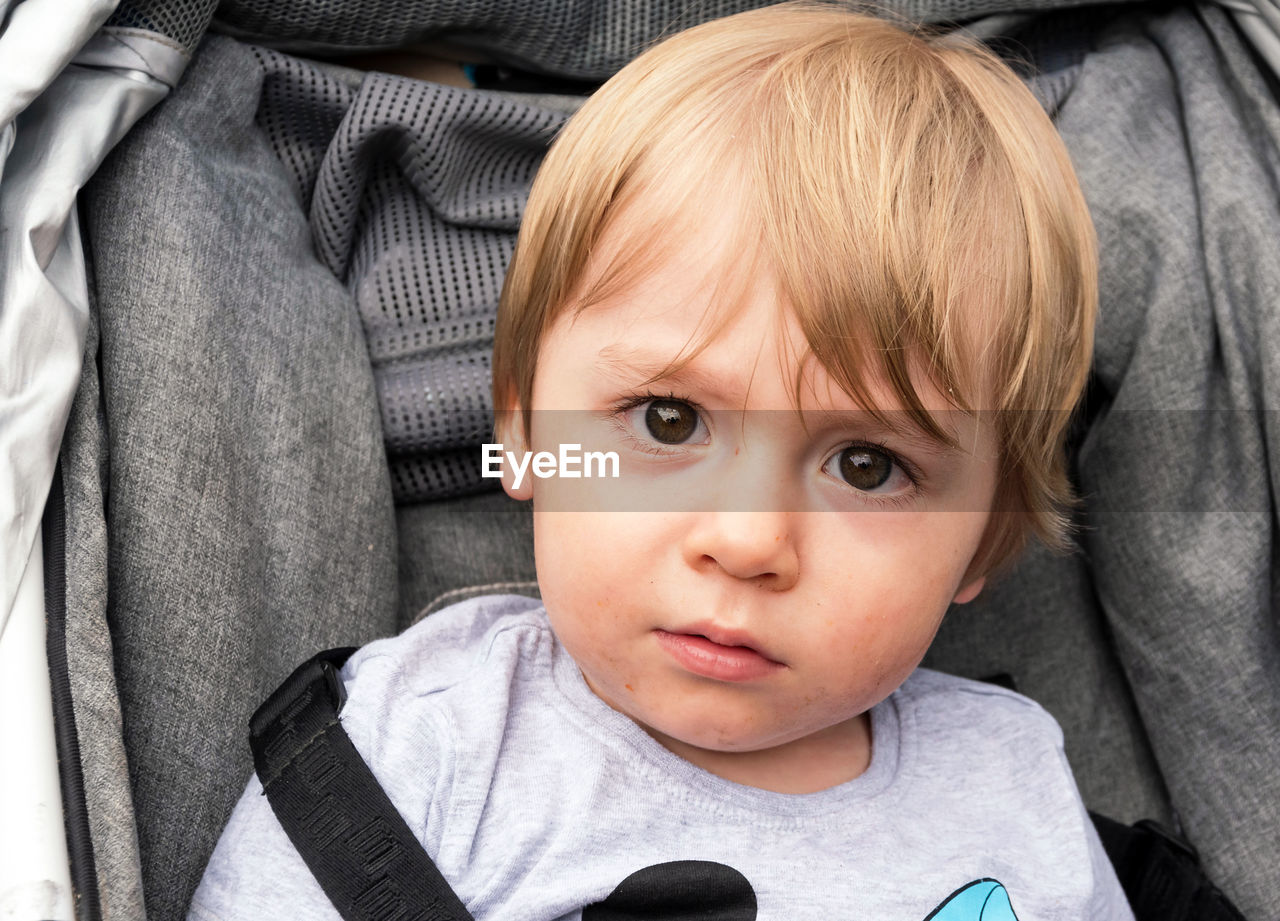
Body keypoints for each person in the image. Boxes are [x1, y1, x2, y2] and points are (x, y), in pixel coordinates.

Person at [190, 4, 1133, 919]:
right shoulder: (419, 750)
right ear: (522, 430)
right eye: (672, 421)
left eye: (867, 467)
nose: (749, 540)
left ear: (984, 540)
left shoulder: (1010, 782)